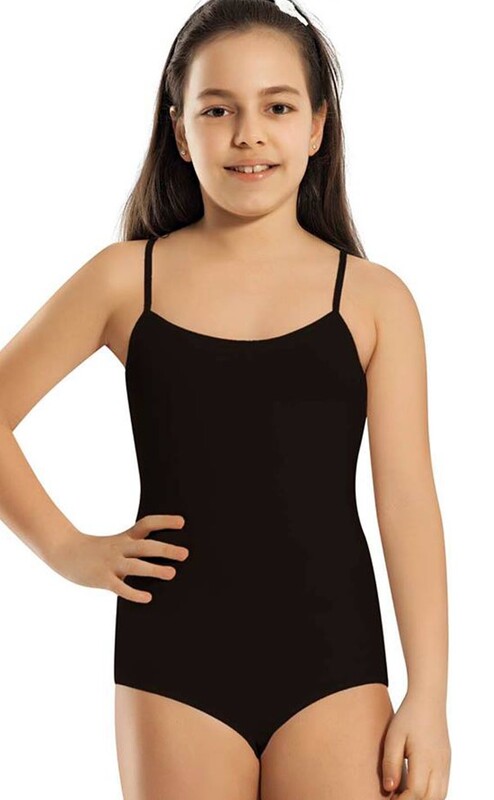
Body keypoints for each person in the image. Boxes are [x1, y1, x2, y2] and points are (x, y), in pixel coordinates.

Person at [0, 0, 451, 798]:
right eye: (218, 110)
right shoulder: (125, 279)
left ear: (317, 126)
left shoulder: (374, 299)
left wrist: (430, 695)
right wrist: (67, 549)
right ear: (180, 131)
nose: (249, 134)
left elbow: (408, 500)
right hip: (175, 665)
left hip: (336, 666)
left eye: (277, 107)